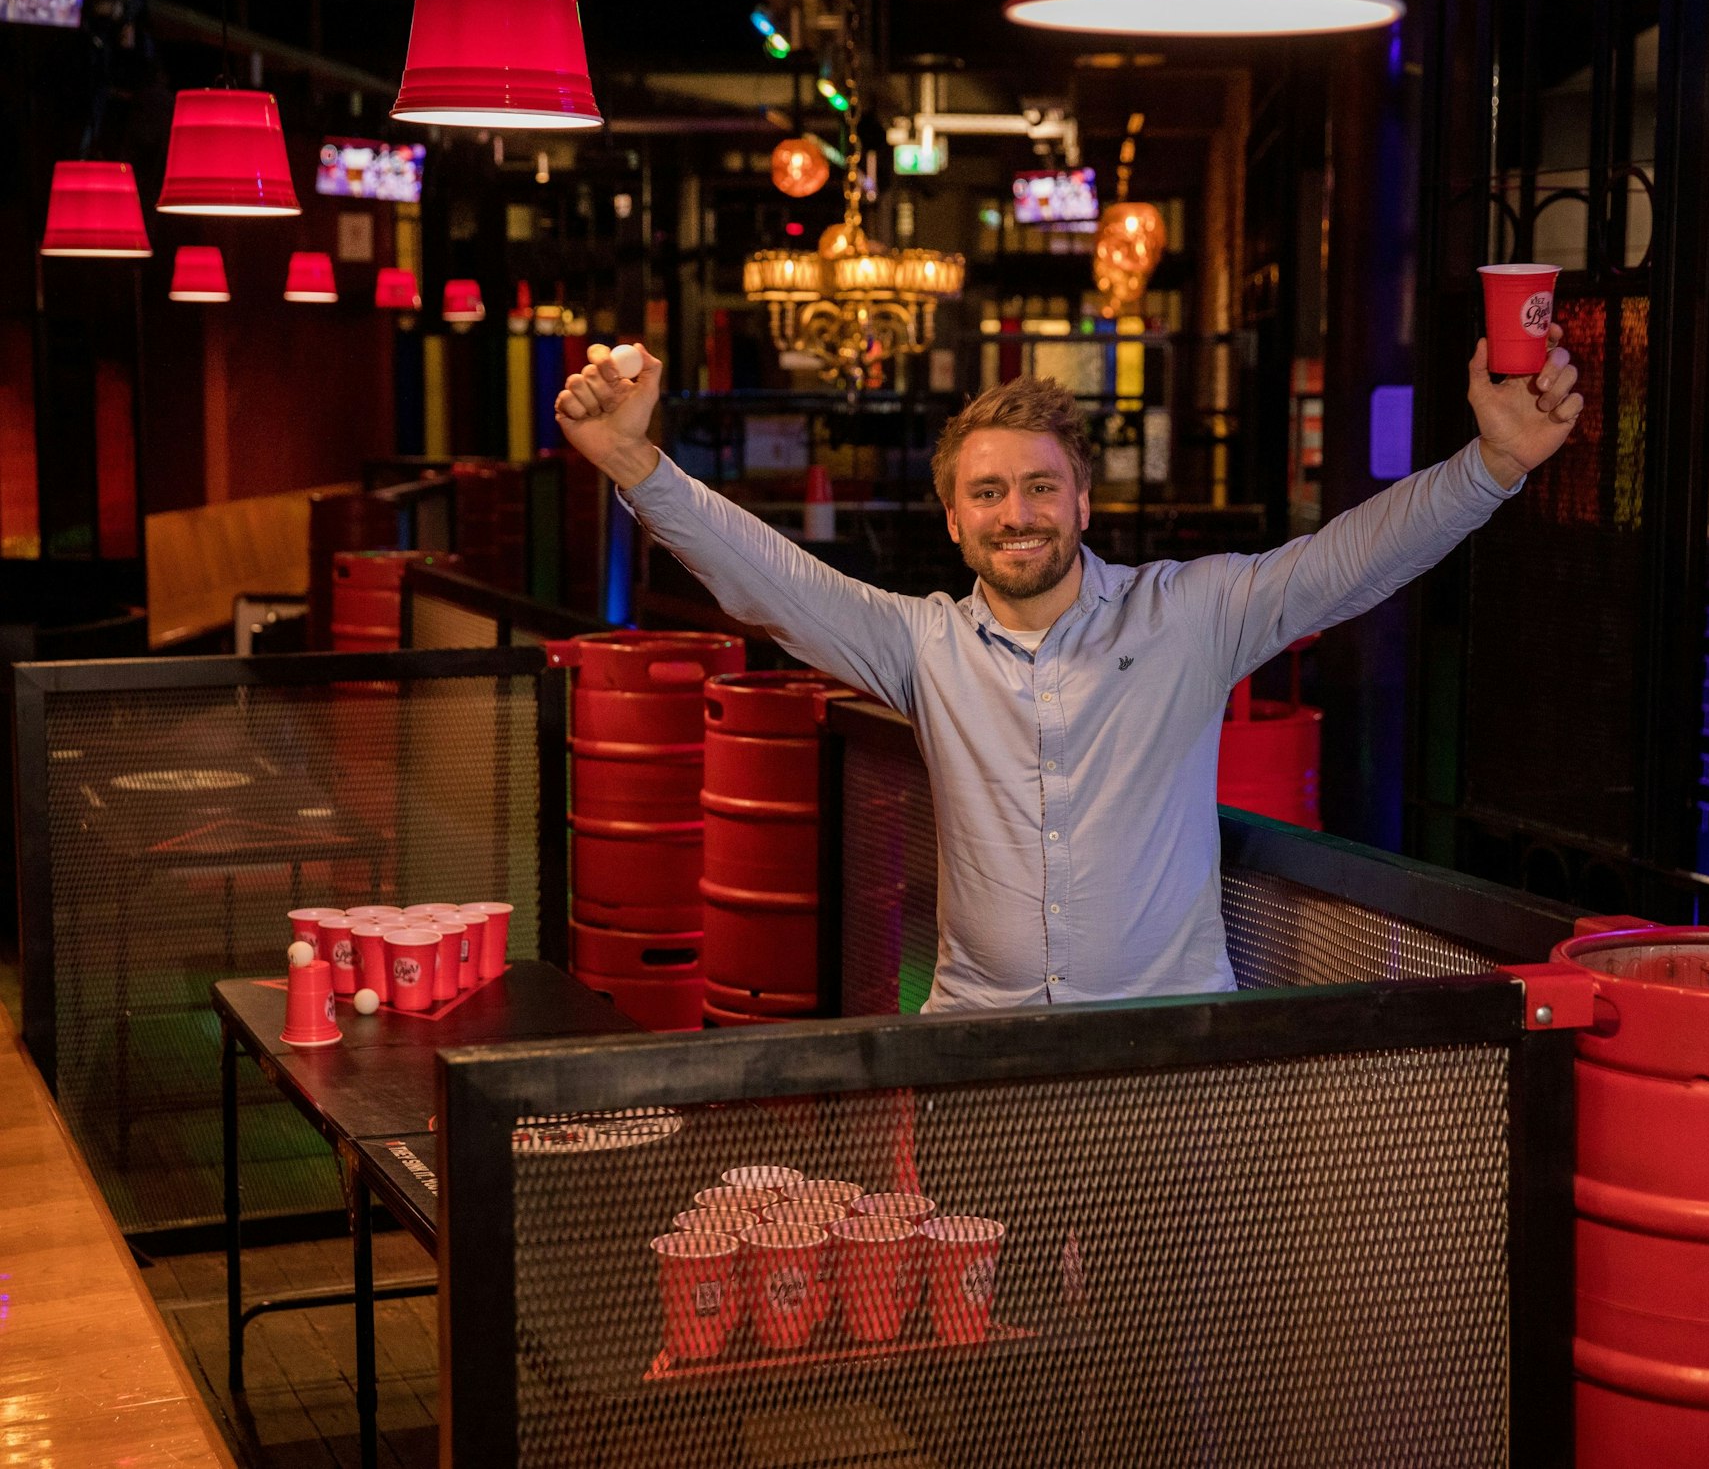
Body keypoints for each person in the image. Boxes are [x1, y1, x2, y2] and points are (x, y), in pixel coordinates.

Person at [555, 332, 1582, 1012]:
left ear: (1082, 502)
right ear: (953, 520)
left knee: (1166, 1334)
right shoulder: (922, 644)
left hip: (1163, 1057)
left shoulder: (1187, 615)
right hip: (977, 1053)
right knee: (992, 1340)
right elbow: (769, 581)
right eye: (988, 492)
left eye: (1041, 486)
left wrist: (1488, 468)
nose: (1017, 514)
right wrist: (637, 467)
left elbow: (1350, 562)